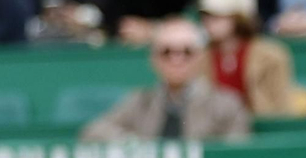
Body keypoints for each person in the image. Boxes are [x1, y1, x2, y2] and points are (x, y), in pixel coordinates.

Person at [80, 18, 250, 142]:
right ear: (154, 59)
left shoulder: (225, 104)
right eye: (167, 52)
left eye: (187, 52)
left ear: (200, 57)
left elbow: (236, 156)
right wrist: (132, 143)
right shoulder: (141, 101)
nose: (177, 60)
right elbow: (92, 132)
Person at [196, 0, 298, 117]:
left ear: (239, 18)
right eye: (206, 16)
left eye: (218, 15)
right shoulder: (198, 58)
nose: (209, 22)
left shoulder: (272, 56)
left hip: (261, 133)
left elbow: (281, 106)